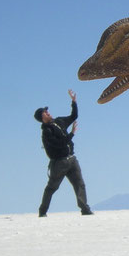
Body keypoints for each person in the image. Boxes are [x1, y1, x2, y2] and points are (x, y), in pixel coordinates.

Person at [34, 89, 93, 217]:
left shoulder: (59, 121)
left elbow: (74, 116)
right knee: (52, 187)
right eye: (45, 112)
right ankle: (42, 211)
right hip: (59, 163)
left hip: (71, 159)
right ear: (42, 117)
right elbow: (59, 144)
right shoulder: (46, 132)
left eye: (47, 111)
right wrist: (71, 133)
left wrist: (74, 102)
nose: (48, 112)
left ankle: (85, 209)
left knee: (79, 184)